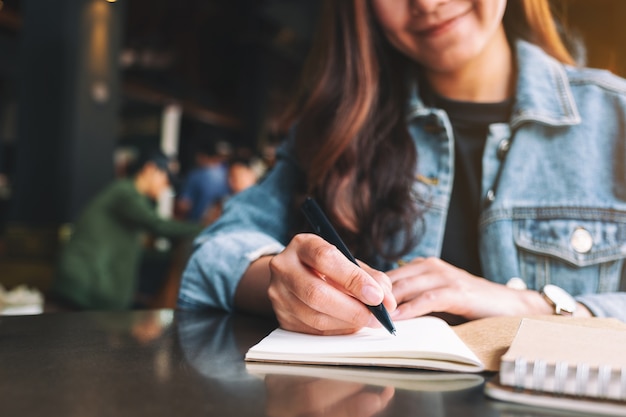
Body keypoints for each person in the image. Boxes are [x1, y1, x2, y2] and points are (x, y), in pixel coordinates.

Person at [178, 0, 626, 334]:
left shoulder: (616, 116)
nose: (428, 4)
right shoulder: (338, 128)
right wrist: (284, 283)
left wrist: (535, 306)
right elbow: (210, 260)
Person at [51, 149, 203, 310]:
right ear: (150, 169)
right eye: (166, 179)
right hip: (81, 282)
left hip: (86, 284)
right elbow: (158, 225)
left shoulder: (133, 196)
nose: (166, 187)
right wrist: (207, 227)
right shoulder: (125, 192)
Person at [175, 139, 231, 222]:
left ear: (202, 156)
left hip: (196, 226)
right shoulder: (229, 175)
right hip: (219, 226)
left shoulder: (196, 175)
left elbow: (184, 205)